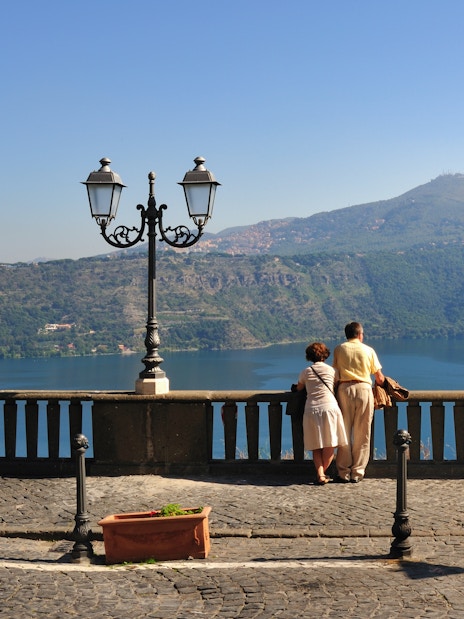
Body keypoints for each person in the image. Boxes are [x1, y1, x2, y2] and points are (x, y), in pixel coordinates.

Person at [333, 322, 385, 483]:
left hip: (344, 390)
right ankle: (357, 472)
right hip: (364, 389)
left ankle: (343, 471)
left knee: (344, 431)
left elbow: (335, 373)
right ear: (360, 334)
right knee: (363, 433)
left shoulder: (339, 349)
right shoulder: (368, 350)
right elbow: (379, 377)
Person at [296, 342, 348, 485]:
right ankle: (322, 474)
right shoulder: (332, 371)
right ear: (325, 355)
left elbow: (299, 387)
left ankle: (320, 474)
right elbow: (336, 384)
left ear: (309, 356)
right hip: (330, 408)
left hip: (312, 409)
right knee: (330, 444)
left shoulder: (306, 372)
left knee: (316, 444)